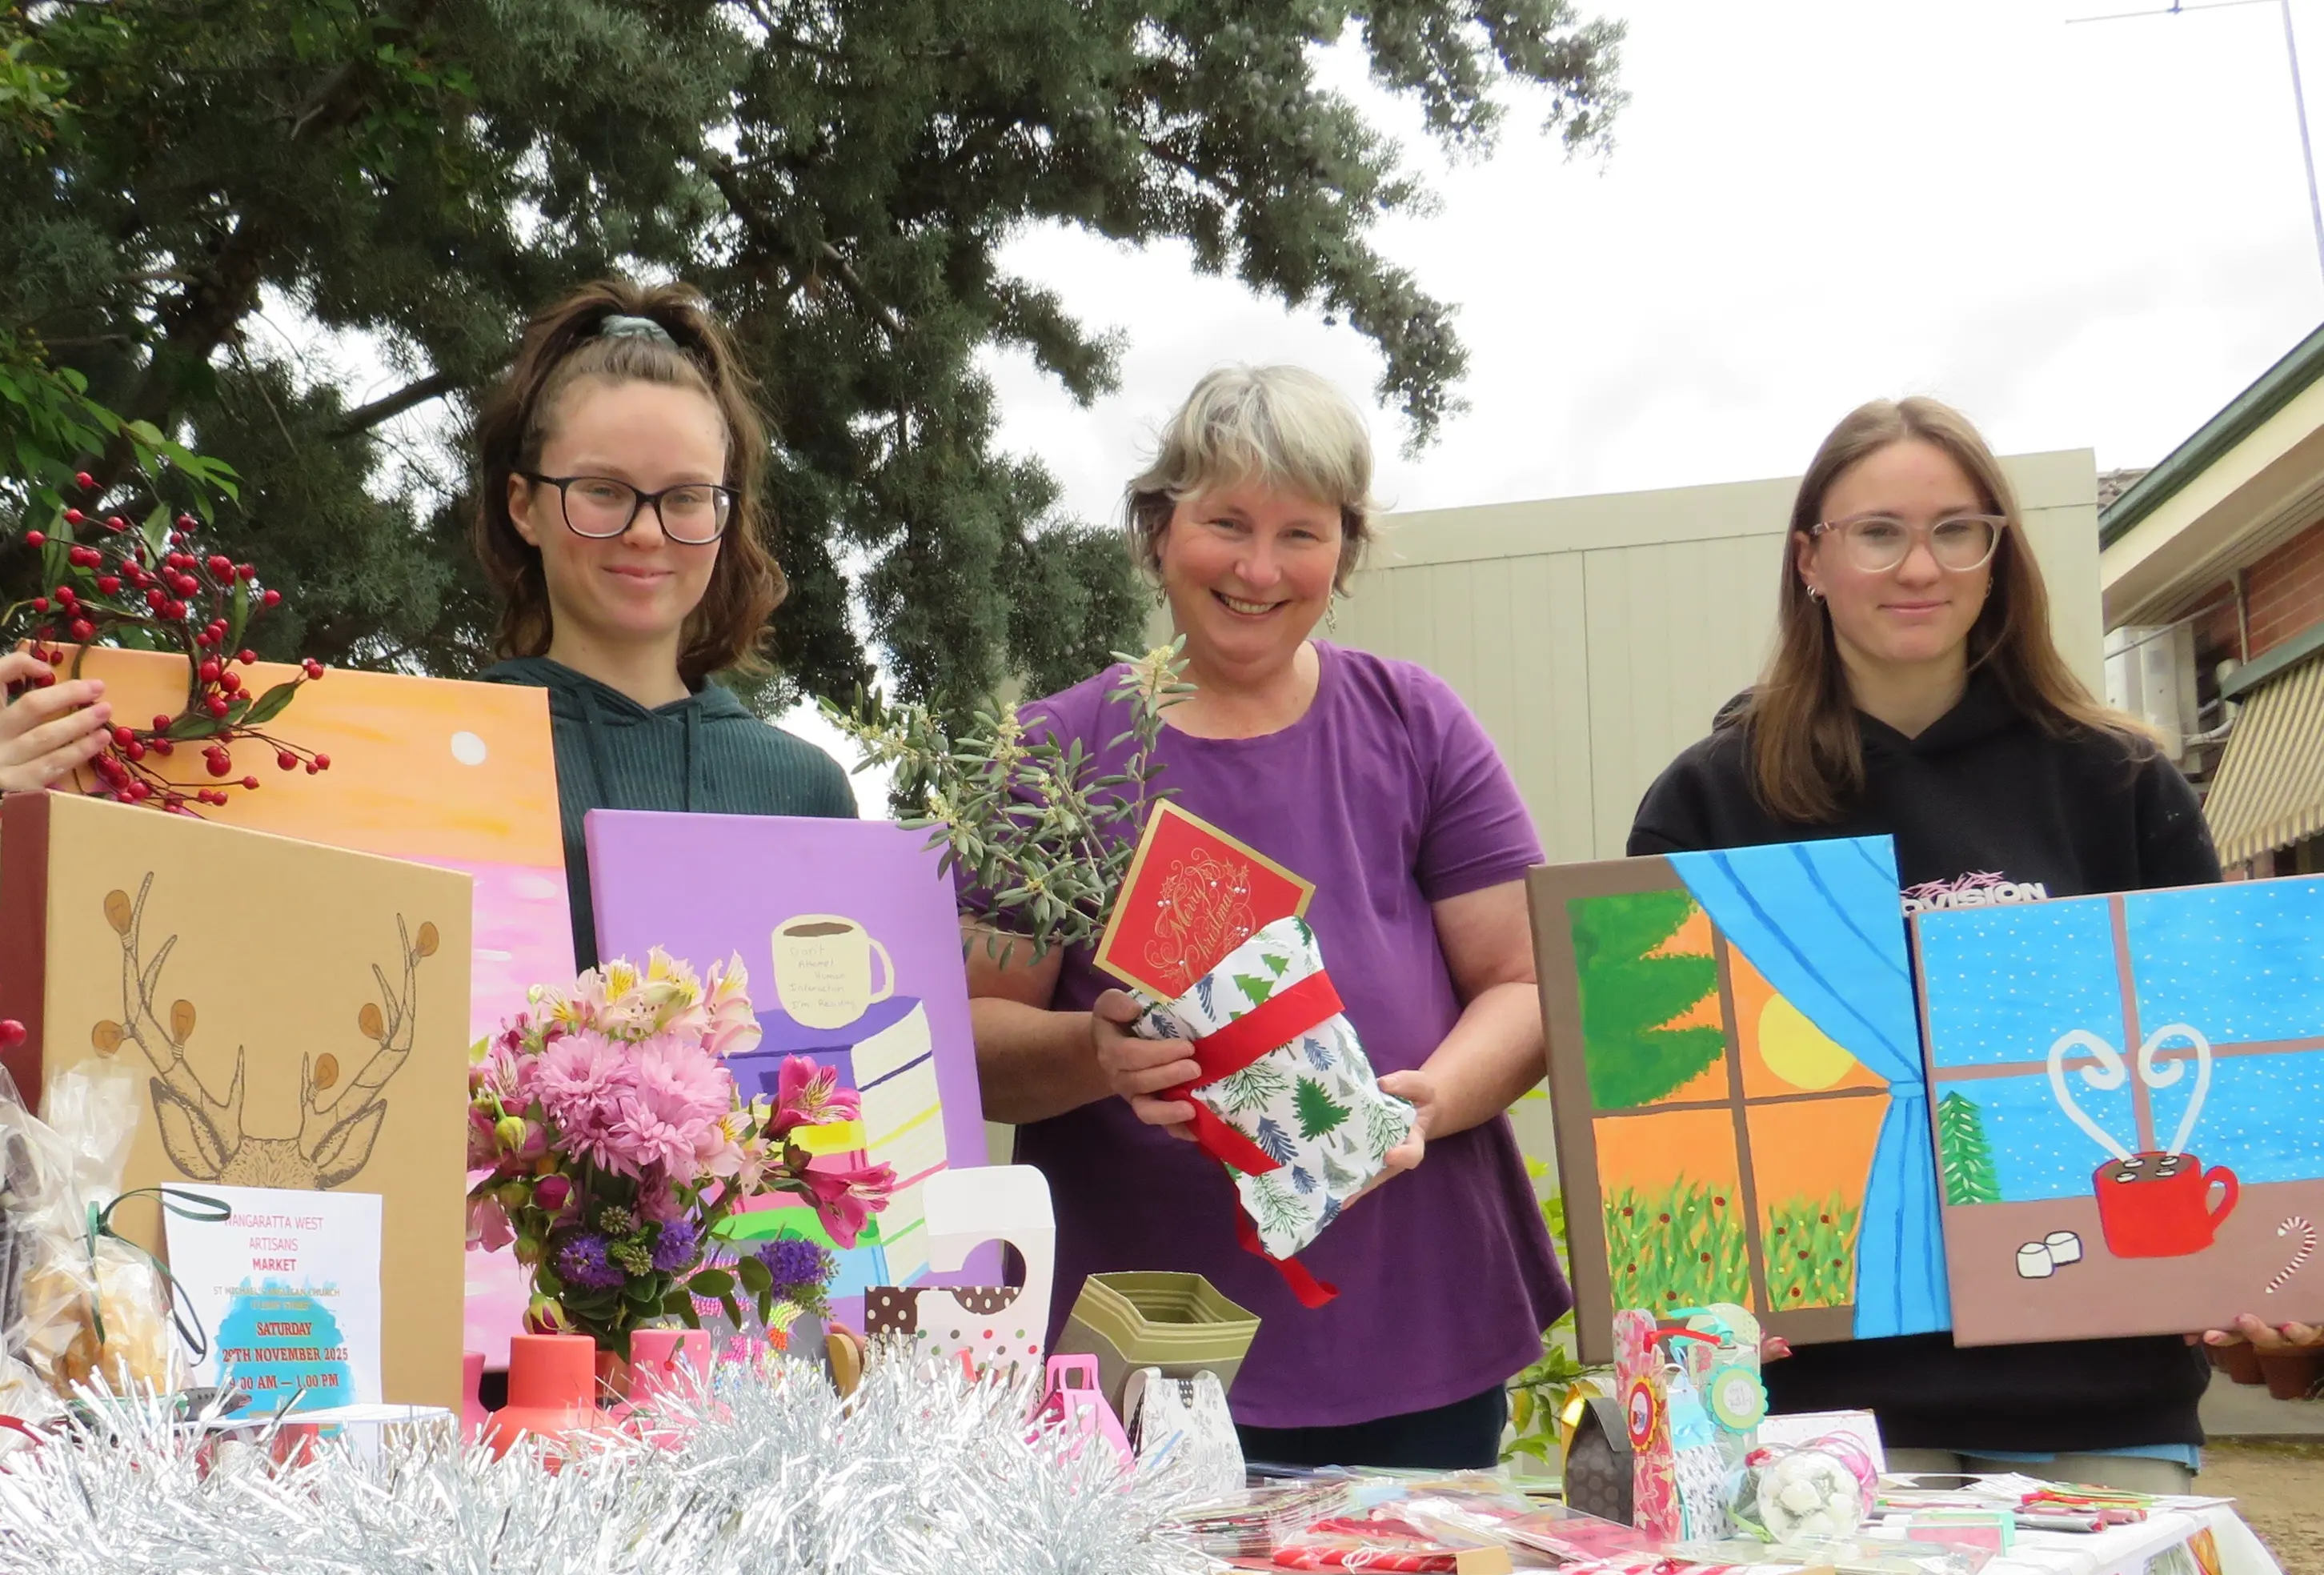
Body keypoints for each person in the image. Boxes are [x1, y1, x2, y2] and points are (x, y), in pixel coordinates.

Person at [1626, 395, 2262, 1492]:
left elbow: (2221, 1065)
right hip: (1832, 1408)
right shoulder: (1708, 801)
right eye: (1877, 531)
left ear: (1997, 557)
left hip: (2105, 1392)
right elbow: (1663, 1103)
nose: (1918, 565)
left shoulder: (2118, 782)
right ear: (1810, 560)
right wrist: (1697, 1295)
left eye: (1956, 529)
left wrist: (2266, 1262)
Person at [968, 365, 1566, 1470]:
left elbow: (1528, 984)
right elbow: (973, 1043)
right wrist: (1096, 1052)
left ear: (1345, 552)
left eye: (1301, 531)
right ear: (1157, 530)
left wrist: (1428, 1102)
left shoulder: (1417, 722)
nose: (1258, 568)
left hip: (1411, 1305)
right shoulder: (1054, 754)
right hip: (1149, 1337)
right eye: (1225, 523)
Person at [0, 279, 855, 964]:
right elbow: (184, 943)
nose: (646, 532)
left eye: (687, 498)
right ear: (524, 505)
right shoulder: (406, 759)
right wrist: (14, 802)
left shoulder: (806, 793)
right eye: (603, 491)